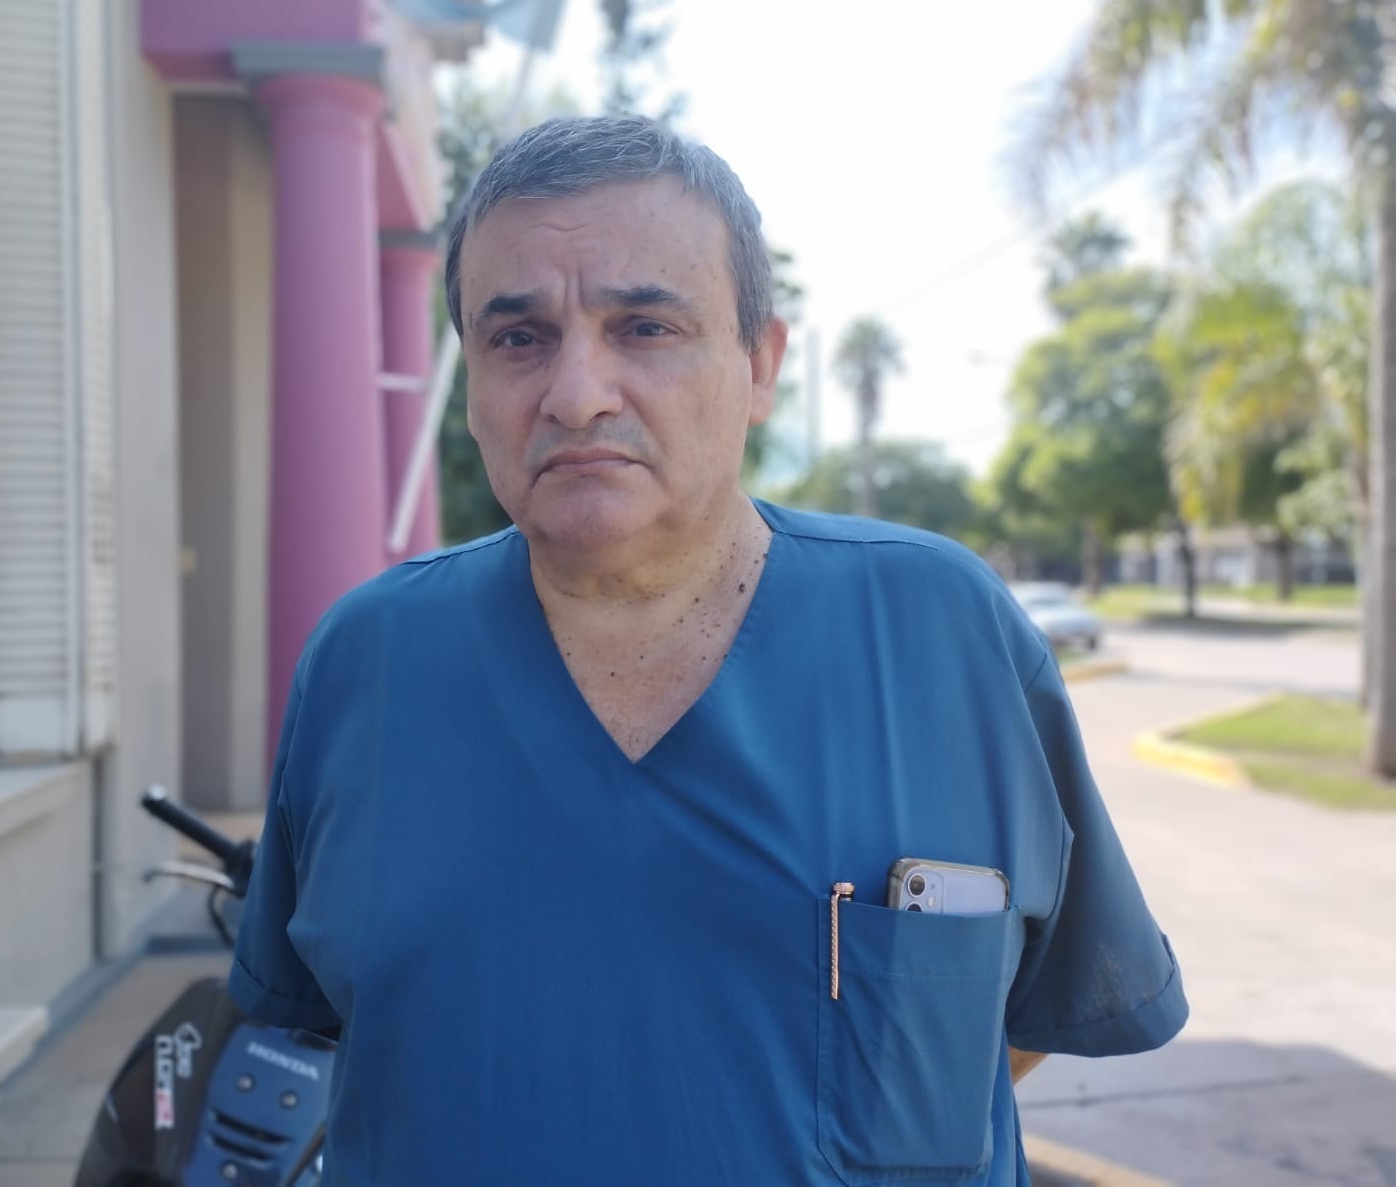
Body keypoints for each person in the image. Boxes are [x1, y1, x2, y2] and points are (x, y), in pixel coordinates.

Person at [228, 115, 1187, 1186]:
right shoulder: (367, 664)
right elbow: (330, 1024)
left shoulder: (942, 632)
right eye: (519, 338)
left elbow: (1018, 1025)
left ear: (759, 365)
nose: (577, 393)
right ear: (473, 389)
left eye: (645, 327)